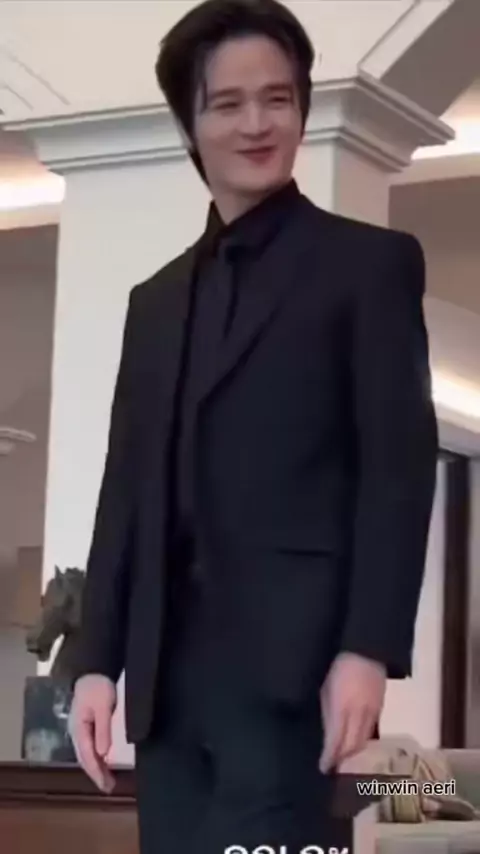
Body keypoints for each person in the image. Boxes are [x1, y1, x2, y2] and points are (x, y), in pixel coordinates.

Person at [68, 0, 438, 851]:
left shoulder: (368, 266)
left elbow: (398, 468)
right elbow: (125, 495)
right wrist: (95, 664)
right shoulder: (154, 303)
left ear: (303, 107)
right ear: (190, 125)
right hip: (166, 694)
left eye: (277, 98)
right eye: (228, 104)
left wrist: (367, 648)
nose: (257, 123)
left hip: (295, 679)